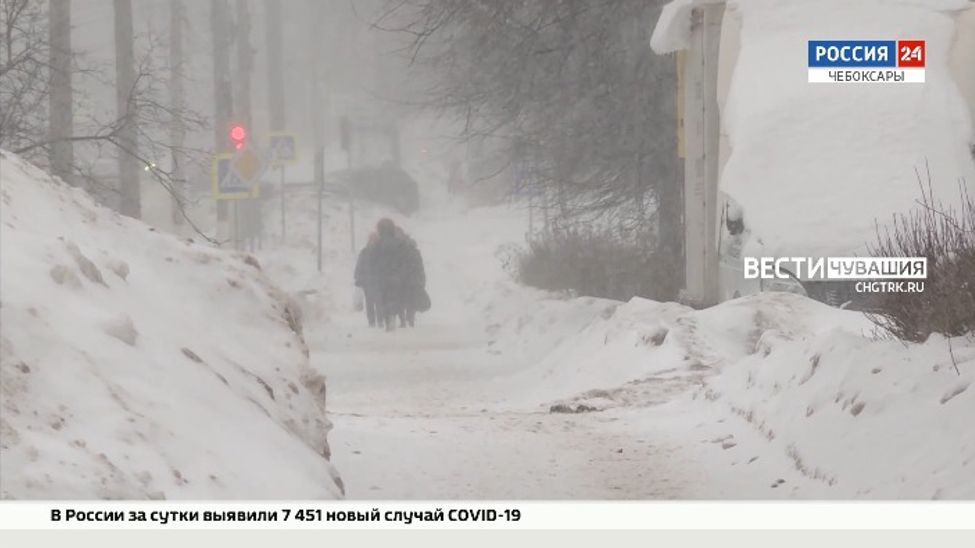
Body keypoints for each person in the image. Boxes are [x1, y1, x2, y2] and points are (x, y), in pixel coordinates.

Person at [394, 226, 427, 328]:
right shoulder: (393, 248)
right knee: (399, 299)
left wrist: (421, 278)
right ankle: (403, 320)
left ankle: (410, 317)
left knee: (410, 299)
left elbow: (419, 265)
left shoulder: (411, 249)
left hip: (410, 278)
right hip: (400, 278)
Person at [354, 232, 380, 327]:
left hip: (374, 281)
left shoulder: (369, 251)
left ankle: (376, 320)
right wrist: (357, 276)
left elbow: (359, 265)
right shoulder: (365, 252)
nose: (372, 241)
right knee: (371, 302)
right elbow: (359, 265)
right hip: (370, 281)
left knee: (376, 302)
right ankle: (373, 321)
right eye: (371, 239)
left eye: (374, 239)